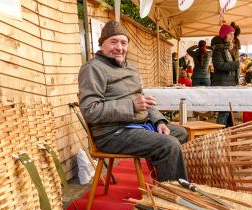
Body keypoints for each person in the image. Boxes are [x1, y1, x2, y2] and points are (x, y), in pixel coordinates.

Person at [78, 20, 188, 181]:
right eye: (113, 42)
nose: (119, 48)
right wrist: (131, 105)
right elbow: (90, 110)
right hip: (112, 133)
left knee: (180, 133)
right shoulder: (93, 68)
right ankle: (173, 198)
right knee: (168, 145)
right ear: (102, 45)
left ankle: (166, 184)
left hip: (137, 125)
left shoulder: (130, 67)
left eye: (123, 43)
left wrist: (159, 122)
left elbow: (142, 100)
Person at [211, 24, 240, 126]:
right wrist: (236, 64)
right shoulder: (218, 49)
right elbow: (219, 65)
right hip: (222, 83)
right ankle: (220, 134)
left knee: (227, 111)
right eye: (230, 34)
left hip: (229, 83)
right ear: (224, 34)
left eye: (233, 34)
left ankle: (226, 133)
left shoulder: (226, 48)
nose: (232, 36)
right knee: (223, 111)